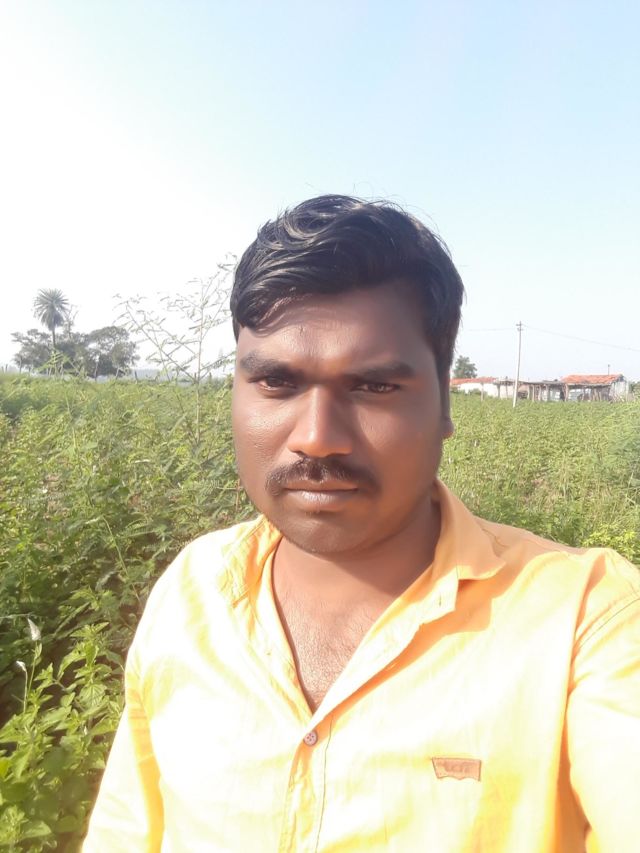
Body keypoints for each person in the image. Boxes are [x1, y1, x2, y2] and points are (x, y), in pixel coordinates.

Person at [84, 195, 640, 852]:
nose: (317, 437)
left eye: (374, 387)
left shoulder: (584, 621)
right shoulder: (192, 592)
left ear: (445, 404)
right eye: (277, 382)